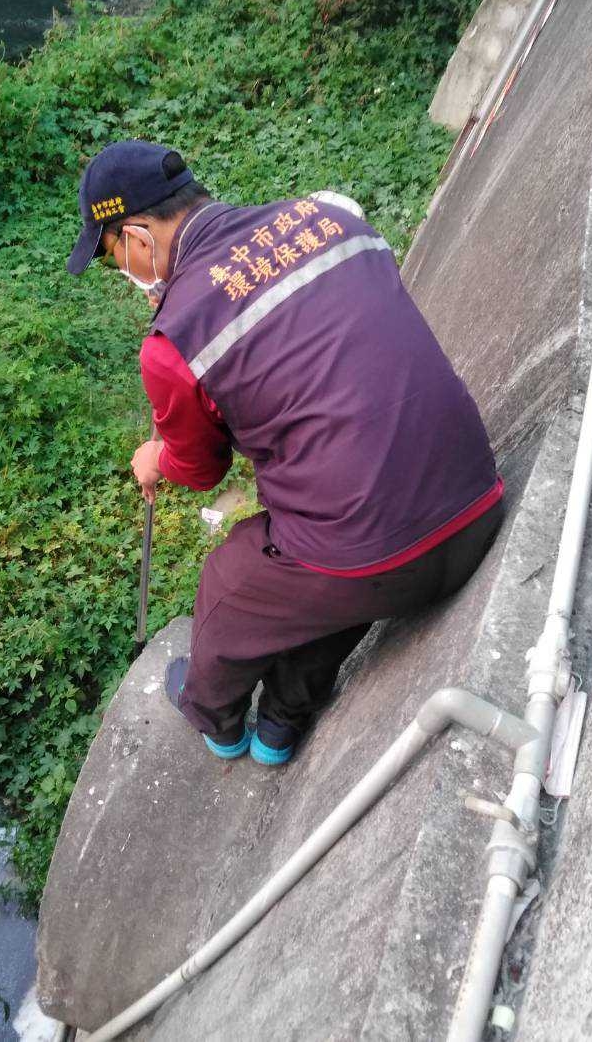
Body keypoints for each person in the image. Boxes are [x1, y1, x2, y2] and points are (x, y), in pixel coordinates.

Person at [66, 139, 503, 766]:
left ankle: (215, 719)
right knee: (324, 557)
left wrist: (156, 459)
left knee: (231, 582)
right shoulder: (330, 219)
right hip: (475, 502)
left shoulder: (173, 343)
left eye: (114, 259)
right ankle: (280, 724)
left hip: (386, 557)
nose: (125, 273)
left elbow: (202, 468)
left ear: (136, 235)